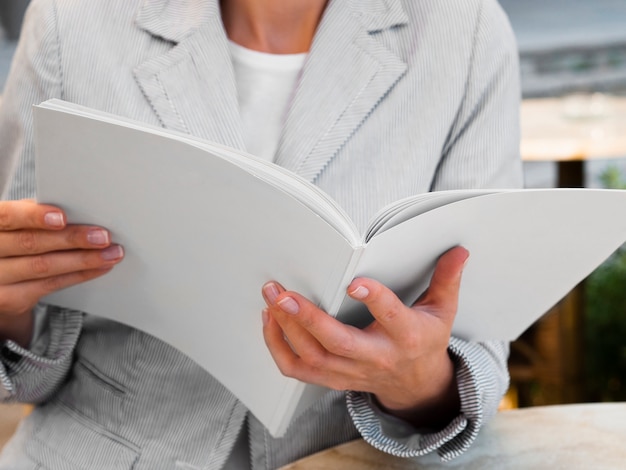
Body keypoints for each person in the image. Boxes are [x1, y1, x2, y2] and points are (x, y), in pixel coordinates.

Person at [0, 0, 523, 468]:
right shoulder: (71, 22)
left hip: (352, 457)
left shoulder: (465, 31)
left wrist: (416, 383)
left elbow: (477, 344)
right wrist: (10, 304)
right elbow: (27, 369)